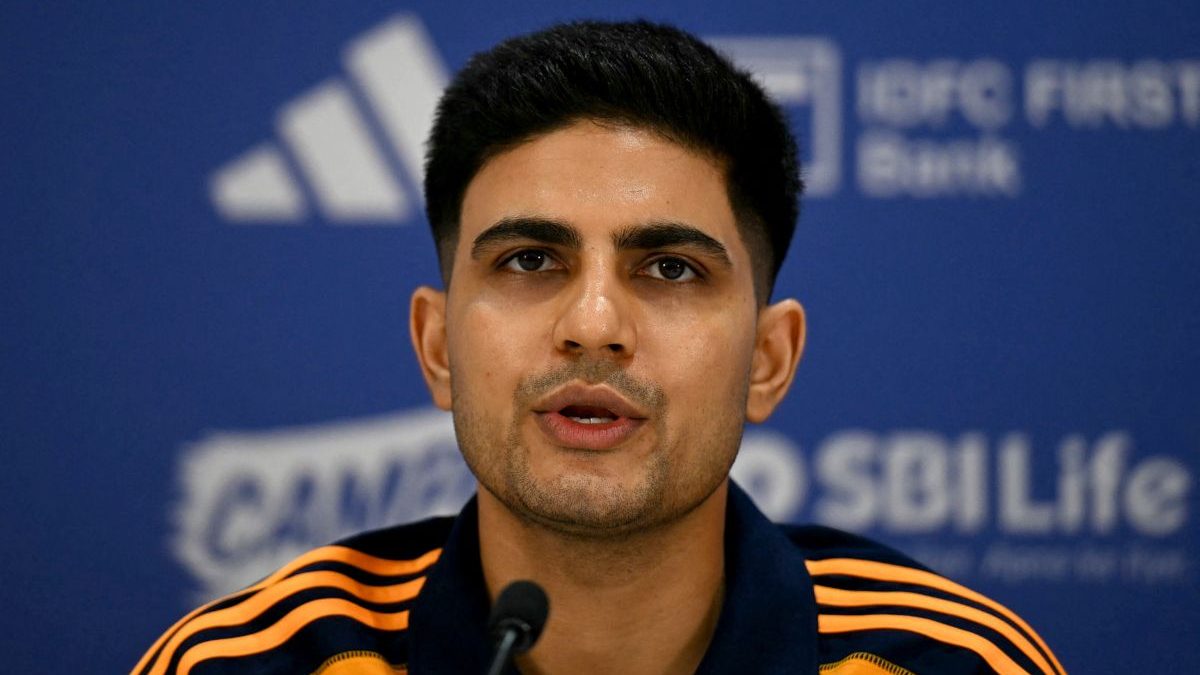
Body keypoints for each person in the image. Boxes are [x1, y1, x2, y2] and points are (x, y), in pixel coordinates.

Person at [134, 20, 1064, 675]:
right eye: (530, 259)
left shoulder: (953, 662)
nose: (593, 322)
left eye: (670, 268)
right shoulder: (246, 662)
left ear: (768, 360)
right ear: (438, 346)